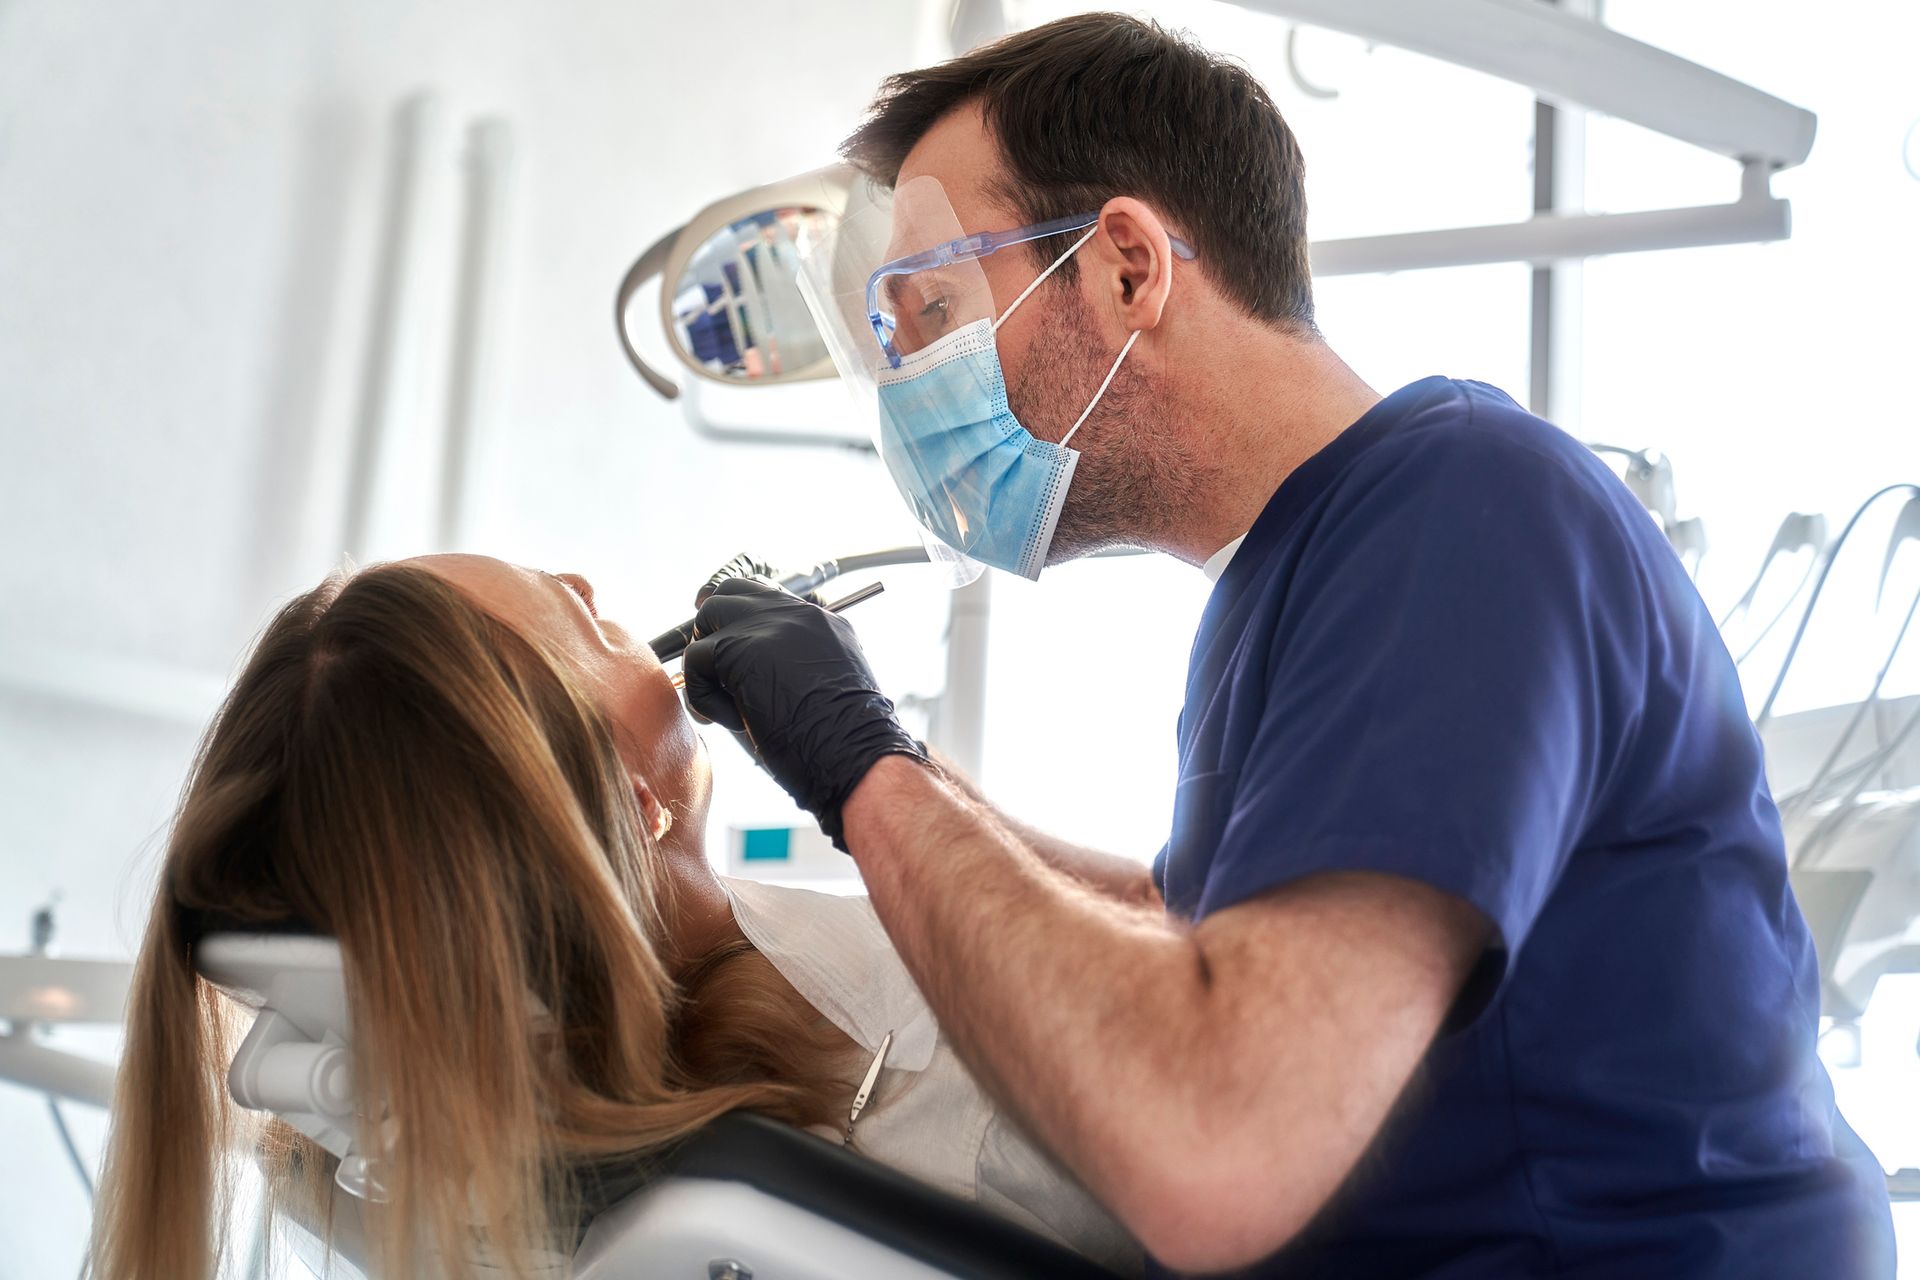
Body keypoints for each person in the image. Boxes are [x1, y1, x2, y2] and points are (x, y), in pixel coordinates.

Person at [676, 13, 1898, 1278]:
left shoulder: (1460, 511)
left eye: (929, 313)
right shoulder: (1285, 581)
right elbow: (1179, 917)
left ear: (1128, 269)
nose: (912, 383)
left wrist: (860, 764)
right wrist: (868, 757)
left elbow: (1216, 1146)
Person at [88, 554, 1142, 1280]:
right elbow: (1218, 981)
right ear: (633, 805)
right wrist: (875, 769)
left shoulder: (462, 1185)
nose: (601, 589)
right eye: (582, 615)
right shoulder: (947, 1074)